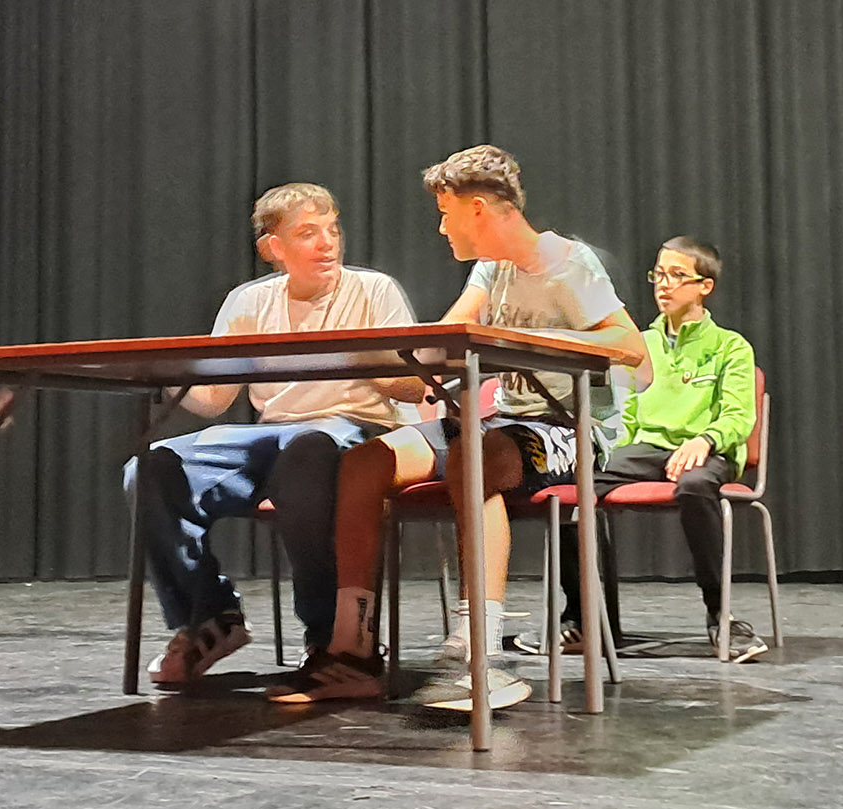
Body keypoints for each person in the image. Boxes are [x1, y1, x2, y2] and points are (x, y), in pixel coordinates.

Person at [268, 145, 649, 708]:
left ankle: (482, 651)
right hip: (502, 426)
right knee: (365, 461)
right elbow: (450, 337)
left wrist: (532, 342)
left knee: (477, 455)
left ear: (477, 209)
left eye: (446, 214)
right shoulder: (490, 268)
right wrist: (378, 356)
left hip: (569, 429)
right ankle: (353, 648)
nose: (442, 227)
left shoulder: (568, 264)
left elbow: (631, 347)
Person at [124, 183, 425, 685]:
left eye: (332, 230)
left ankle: (329, 636)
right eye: (308, 233)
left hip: (351, 430)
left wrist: (363, 355)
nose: (327, 243)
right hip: (271, 437)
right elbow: (214, 400)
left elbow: (415, 387)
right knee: (152, 466)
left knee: (309, 450)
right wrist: (167, 376)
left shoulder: (374, 291)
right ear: (273, 248)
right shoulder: (250, 301)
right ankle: (210, 617)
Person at [579, 236, 766, 661]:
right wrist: (614, 452)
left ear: (705, 286)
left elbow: (739, 417)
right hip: (648, 449)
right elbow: (625, 414)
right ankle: (583, 618)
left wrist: (705, 439)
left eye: (677, 275)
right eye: (659, 274)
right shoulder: (639, 344)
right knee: (575, 484)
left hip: (709, 451)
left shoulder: (730, 346)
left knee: (695, 485)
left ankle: (720, 615)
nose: (664, 284)